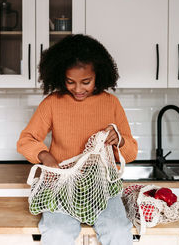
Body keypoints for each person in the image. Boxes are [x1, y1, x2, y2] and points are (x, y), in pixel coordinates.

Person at [17, 34, 138, 245]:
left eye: (86, 82)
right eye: (70, 82)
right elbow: (26, 140)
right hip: (61, 184)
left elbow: (131, 152)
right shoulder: (52, 103)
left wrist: (119, 140)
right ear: (60, 76)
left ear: (98, 75)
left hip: (103, 186)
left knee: (118, 231)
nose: (78, 89)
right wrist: (44, 155)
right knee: (57, 233)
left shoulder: (111, 104)